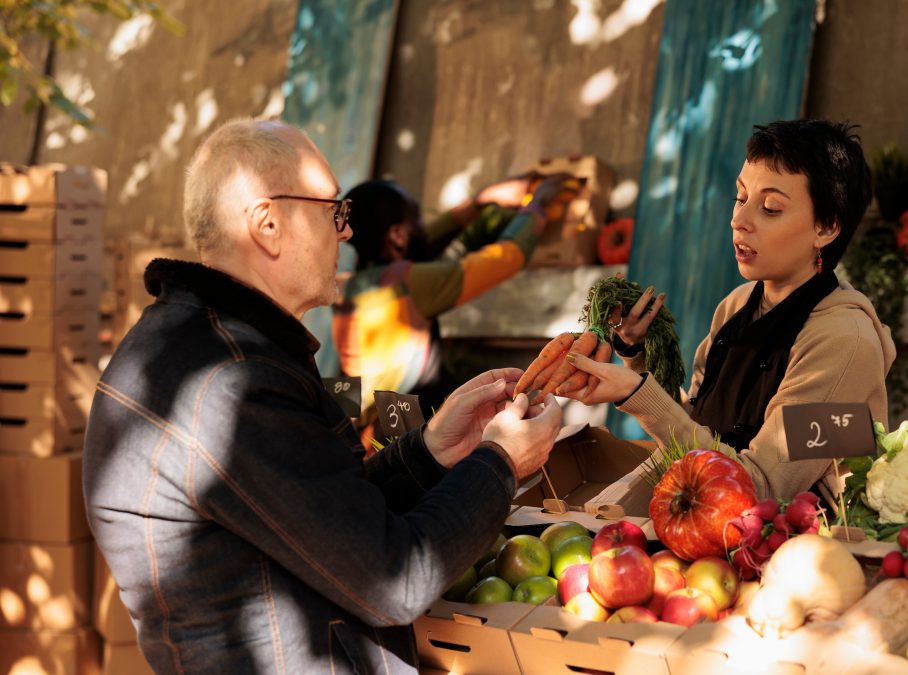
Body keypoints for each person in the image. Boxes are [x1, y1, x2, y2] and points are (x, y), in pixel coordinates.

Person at [82, 118, 563, 674]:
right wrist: (500, 462)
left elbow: (321, 514)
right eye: (332, 211)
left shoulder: (201, 348)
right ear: (267, 225)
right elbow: (395, 578)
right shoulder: (231, 386)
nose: (345, 233)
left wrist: (429, 452)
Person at [560, 119, 896, 501]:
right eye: (741, 198)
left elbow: (762, 486)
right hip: (706, 525)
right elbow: (699, 431)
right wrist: (637, 357)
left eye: (770, 207)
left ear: (826, 227)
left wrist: (637, 395)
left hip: (791, 546)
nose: (739, 220)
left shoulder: (846, 343)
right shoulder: (737, 305)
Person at [331, 172, 578, 440]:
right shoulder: (407, 285)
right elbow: (505, 258)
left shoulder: (351, 286)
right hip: (397, 417)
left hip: (361, 409)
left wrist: (481, 201)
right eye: (417, 219)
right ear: (398, 235)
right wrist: (537, 206)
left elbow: (424, 240)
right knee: (420, 468)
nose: (424, 225)